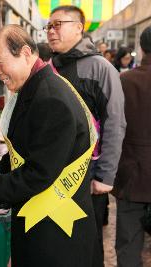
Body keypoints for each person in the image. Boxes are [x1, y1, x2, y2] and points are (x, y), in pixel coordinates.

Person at [0, 24, 100, 267]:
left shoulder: (51, 98)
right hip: (41, 219)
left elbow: (40, 171)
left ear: (25, 53)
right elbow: (26, 150)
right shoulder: (35, 87)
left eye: (0, 63)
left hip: (56, 230)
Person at [45, 5, 126, 264]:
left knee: (87, 244)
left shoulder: (100, 68)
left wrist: (105, 175)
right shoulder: (48, 67)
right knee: (55, 241)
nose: (51, 31)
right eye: (49, 26)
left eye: (58, 24)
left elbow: (115, 122)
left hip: (87, 176)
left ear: (79, 28)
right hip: (51, 173)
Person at [112, 26, 151, 267]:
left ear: (142, 47)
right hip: (133, 173)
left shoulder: (125, 81)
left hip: (131, 176)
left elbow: (112, 127)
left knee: (128, 245)